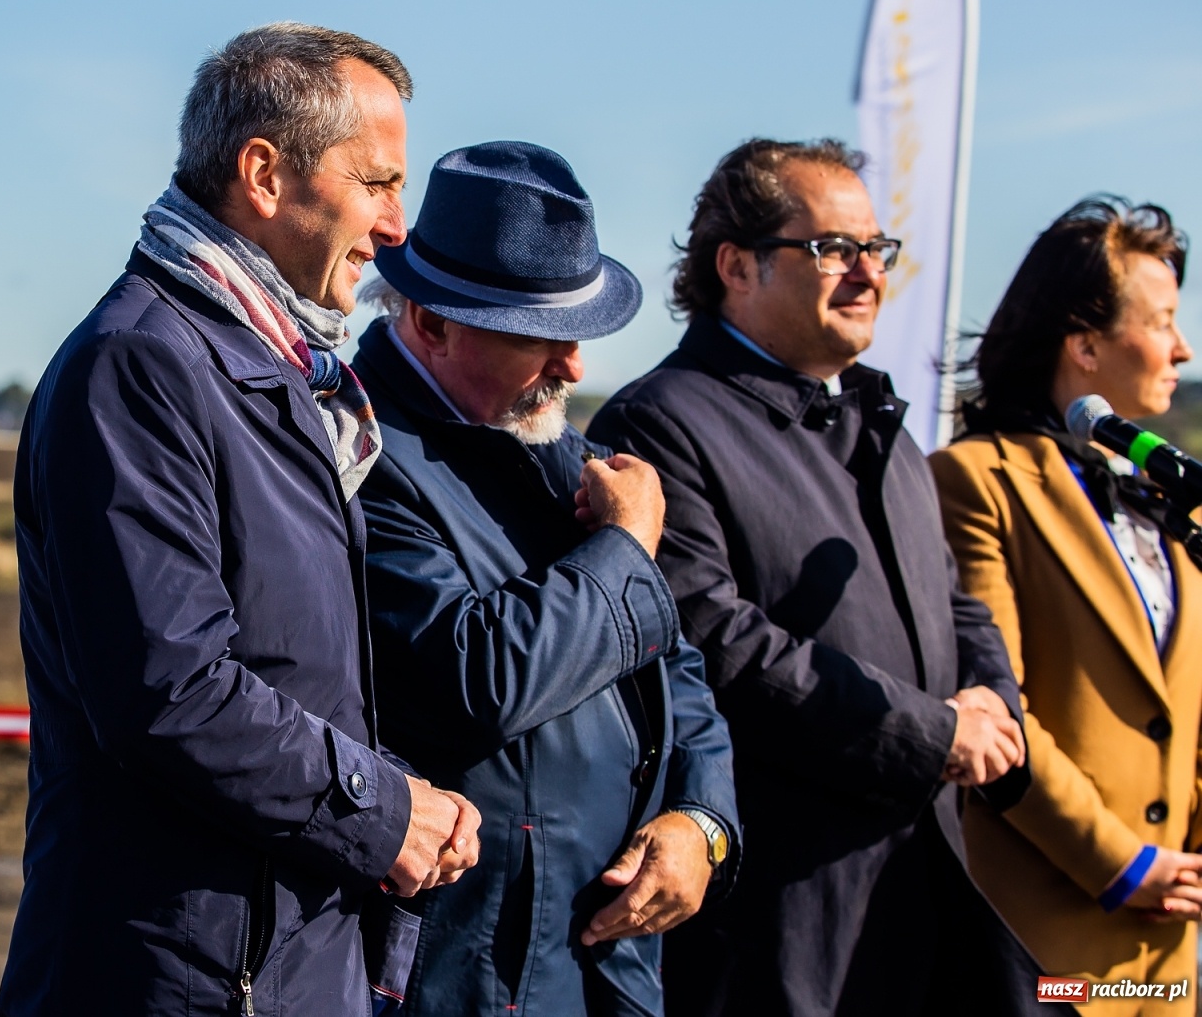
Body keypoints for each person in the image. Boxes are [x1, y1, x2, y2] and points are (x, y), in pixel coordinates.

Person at [0, 23, 481, 1017]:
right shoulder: (139, 367)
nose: (398, 227)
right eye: (379, 182)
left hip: (276, 963)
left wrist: (400, 793)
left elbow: (289, 674)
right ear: (264, 174)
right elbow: (170, 690)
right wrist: (384, 810)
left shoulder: (279, 374)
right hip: (180, 975)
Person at [587, 138, 1046, 1015]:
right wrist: (929, 734)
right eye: (833, 248)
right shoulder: (660, 425)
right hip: (783, 922)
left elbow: (952, 599)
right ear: (737, 265)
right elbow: (714, 642)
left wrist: (993, 706)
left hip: (926, 899)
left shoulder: (882, 424)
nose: (868, 272)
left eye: (877, 249)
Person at [352, 141, 740, 1016]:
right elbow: (474, 679)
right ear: (432, 322)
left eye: (581, 333)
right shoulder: (356, 454)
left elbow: (678, 675)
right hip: (459, 975)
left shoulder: (569, 456)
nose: (574, 368)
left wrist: (702, 825)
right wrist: (625, 550)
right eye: (542, 335)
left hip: (601, 966)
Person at [930, 198, 1202, 1014]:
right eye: (1161, 323)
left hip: (1170, 947)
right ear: (1083, 344)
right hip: (1052, 939)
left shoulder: (1171, 498)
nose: (1183, 349)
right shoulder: (975, 481)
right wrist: (1122, 862)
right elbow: (994, 709)